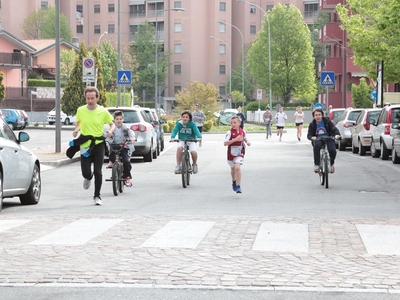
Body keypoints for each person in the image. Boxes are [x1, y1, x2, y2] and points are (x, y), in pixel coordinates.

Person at [72, 86, 115, 206]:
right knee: (86, 172)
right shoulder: (81, 110)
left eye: (92, 98)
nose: (90, 101)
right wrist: (76, 130)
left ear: (97, 98)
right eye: (88, 98)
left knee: (98, 171)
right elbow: (79, 123)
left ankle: (97, 196)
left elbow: (112, 124)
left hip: (98, 144)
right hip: (85, 144)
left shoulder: (103, 111)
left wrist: (110, 131)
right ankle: (88, 177)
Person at [106, 110, 136, 187]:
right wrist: (108, 135)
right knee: (111, 153)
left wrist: (132, 138)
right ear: (114, 120)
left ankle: (127, 177)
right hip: (114, 145)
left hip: (124, 146)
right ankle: (112, 162)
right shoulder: (113, 127)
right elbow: (108, 133)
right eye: (117, 119)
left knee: (126, 161)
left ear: (123, 119)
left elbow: (130, 132)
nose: (119, 120)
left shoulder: (125, 127)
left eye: (120, 119)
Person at [307, 108, 341, 173]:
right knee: (316, 147)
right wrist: (312, 137)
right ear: (314, 116)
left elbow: (334, 128)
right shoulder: (312, 124)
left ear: (322, 115)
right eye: (316, 115)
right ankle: (317, 164)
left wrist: (337, 134)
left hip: (329, 138)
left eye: (319, 115)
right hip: (318, 139)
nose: (318, 116)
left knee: (332, 150)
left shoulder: (327, 121)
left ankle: (331, 164)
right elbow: (309, 135)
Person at [224, 115, 251, 193]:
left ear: (239, 123)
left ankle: (238, 186)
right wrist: (235, 139)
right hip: (231, 153)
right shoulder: (229, 133)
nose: (233, 124)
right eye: (231, 123)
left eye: (235, 122)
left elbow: (245, 138)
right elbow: (225, 143)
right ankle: (234, 181)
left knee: (237, 168)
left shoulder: (243, 131)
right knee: (233, 169)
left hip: (239, 152)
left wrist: (247, 142)